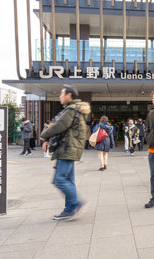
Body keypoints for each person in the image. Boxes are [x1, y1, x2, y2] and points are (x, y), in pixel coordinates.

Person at [41, 85, 91, 220]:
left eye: (62, 94)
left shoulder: (71, 110)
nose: (60, 96)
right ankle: (69, 209)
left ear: (69, 95)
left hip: (67, 148)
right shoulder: (75, 110)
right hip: (69, 148)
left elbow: (58, 126)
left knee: (59, 180)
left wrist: (43, 136)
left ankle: (77, 203)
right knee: (68, 180)